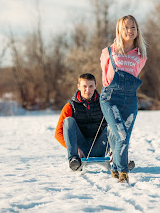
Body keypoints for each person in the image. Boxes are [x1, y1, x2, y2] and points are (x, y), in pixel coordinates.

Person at [99, 15, 147, 183]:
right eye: (126, 28)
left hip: (130, 100)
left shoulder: (141, 55)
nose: (130, 31)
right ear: (119, 30)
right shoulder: (108, 52)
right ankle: (123, 171)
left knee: (121, 136)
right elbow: (105, 77)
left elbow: (136, 73)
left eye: (133, 27)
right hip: (110, 98)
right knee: (121, 136)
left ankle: (114, 168)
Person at [55, 73, 108, 171]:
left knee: (114, 125)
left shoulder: (104, 104)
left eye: (91, 86)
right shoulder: (70, 106)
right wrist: (75, 149)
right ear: (78, 87)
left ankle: (120, 161)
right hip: (81, 149)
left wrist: (112, 147)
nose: (88, 90)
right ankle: (73, 160)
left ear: (95, 86)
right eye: (84, 86)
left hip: (100, 146)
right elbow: (58, 133)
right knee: (68, 121)